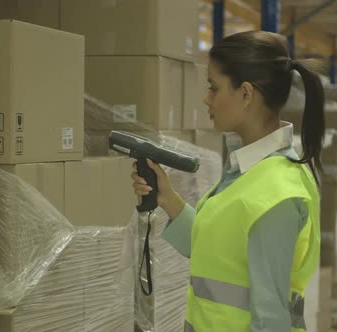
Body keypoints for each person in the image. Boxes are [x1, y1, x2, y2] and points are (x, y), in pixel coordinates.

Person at [131, 31, 324, 332]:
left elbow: (271, 323)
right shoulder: (250, 171)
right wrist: (167, 198)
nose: (206, 98)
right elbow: (219, 251)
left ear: (246, 94)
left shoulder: (277, 195)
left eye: (213, 87)